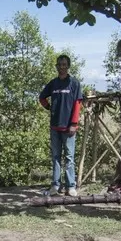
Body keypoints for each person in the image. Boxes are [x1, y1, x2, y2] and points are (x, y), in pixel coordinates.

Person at [39, 55, 82, 196]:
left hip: (69, 127)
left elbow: (77, 104)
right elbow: (42, 97)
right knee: (56, 157)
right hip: (54, 127)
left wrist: (74, 124)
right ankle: (55, 185)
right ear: (57, 66)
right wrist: (49, 107)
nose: (62, 67)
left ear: (68, 66)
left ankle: (71, 186)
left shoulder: (74, 83)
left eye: (64, 64)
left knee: (69, 157)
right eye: (60, 64)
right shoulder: (53, 83)